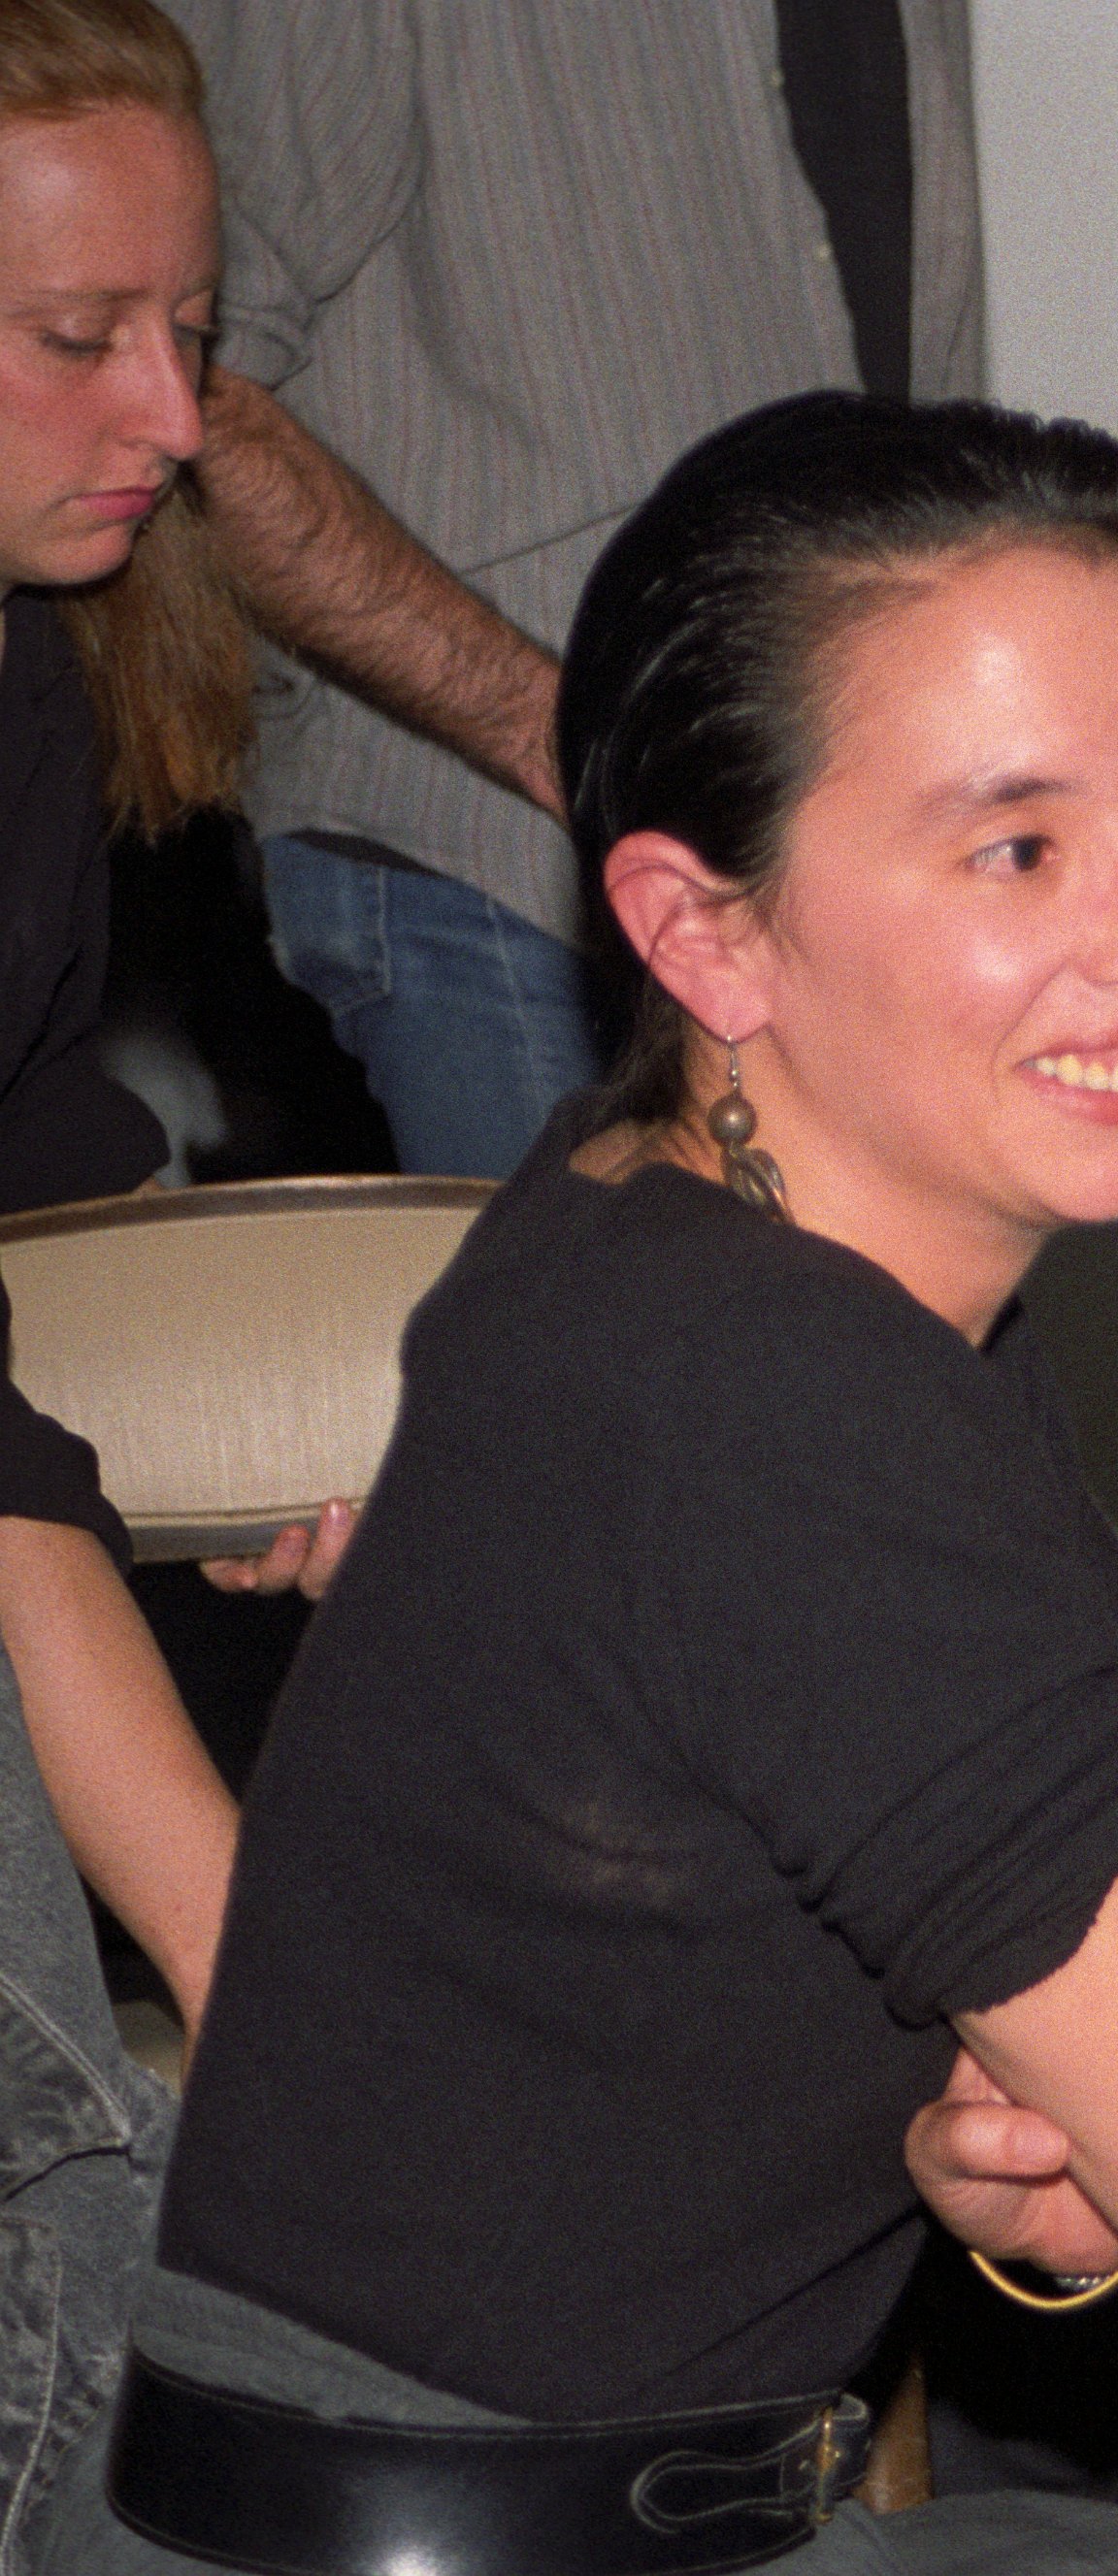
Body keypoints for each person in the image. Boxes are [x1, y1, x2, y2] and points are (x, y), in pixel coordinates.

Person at [41, 392, 1118, 2574]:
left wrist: (1042, 2128)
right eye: (1017, 848)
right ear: (703, 931)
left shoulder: (697, 1235)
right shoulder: (766, 1392)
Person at [164, 0, 985, 1178]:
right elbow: (174, 384)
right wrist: (566, 740)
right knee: (609, 1305)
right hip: (496, 866)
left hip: (813, 861)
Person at [0, 6, 255, 2560]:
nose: (171, 415)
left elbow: (37, 1161)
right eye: (79, 336)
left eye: (191, 327)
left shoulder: (25, 676)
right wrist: (222, 1921)